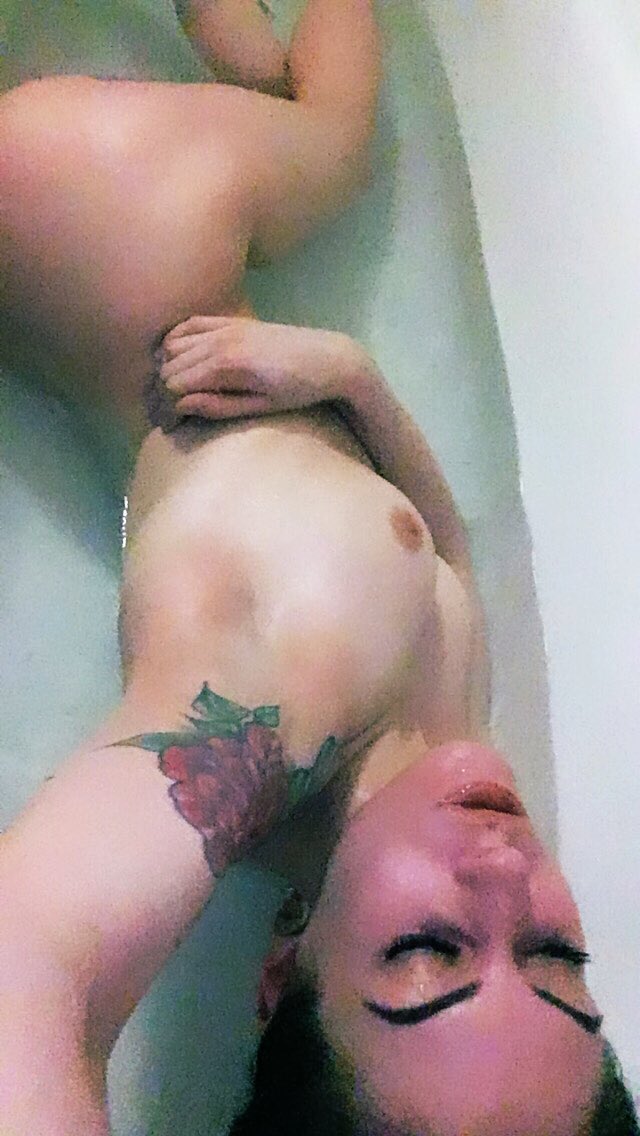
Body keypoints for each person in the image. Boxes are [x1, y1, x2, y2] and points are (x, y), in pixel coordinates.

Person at [0, 317, 637, 1135]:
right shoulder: (449, 768)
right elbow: (446, 557)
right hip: (264, 317)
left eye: (427, 950)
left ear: (280, 976)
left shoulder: (263, 718)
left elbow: (24, 971)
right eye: (555, 954)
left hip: (132, 300)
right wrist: (354, 382)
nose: (506, 870)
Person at [0, 0, 381, 443]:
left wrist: (349, 372)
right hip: (101, 238)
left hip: (95, 222)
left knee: (327, 139)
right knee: (323, 137)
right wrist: (350, 372)